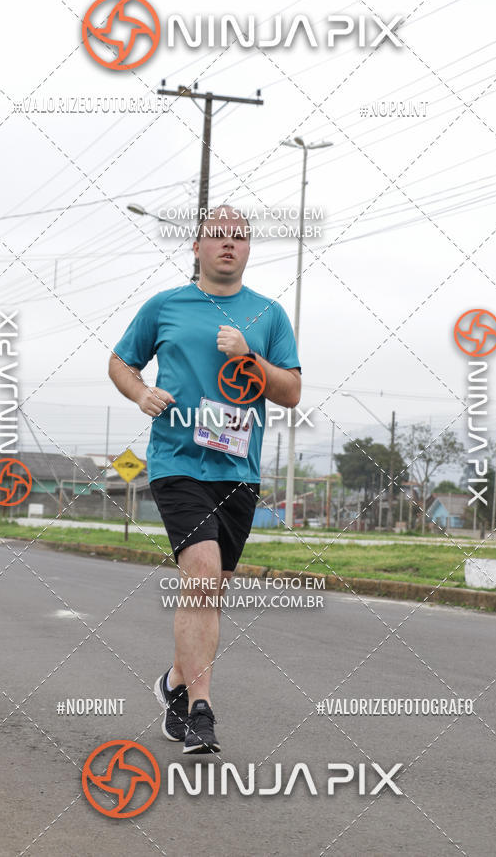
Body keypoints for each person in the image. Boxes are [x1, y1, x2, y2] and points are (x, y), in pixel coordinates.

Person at [108, 205, 301, 753]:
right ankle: (200, 711)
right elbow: (121, 362)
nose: (228, 244)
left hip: (238, 470)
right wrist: (140, 393)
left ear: (248, 249)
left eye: (239, 237)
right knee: (201, 578)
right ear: (196, 246)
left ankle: (173, 684)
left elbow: (290, 391)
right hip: (177, 464)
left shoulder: (267, 315)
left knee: (210, 594)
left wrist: (253, 359)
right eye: (217, 235)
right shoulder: (165, 306)